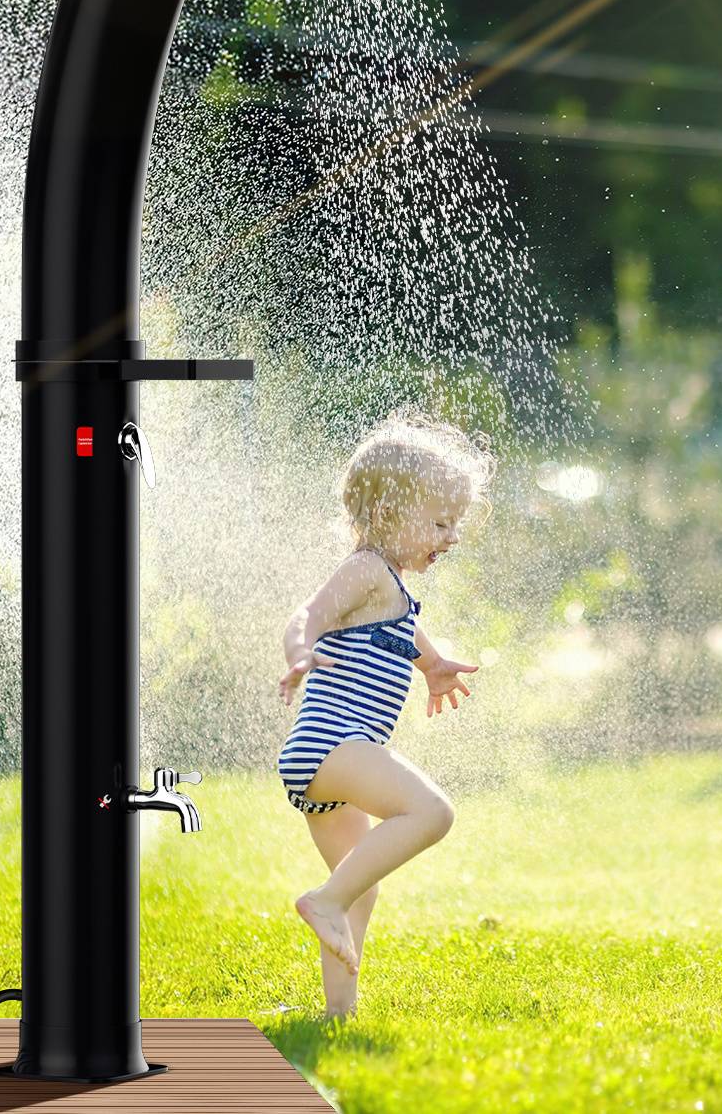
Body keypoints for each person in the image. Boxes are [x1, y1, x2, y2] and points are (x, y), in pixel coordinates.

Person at [277, 410, 492, 1018]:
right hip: (333, 745)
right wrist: (300, 653)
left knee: (360, 889)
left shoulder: (392, 587)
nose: (450, 537)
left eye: (455, 524)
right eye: (440, 522)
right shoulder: (367, 568)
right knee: (432, 812)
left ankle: (337, 1014)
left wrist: (436, 665)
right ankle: (322, 902)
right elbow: (307, 615)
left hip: (326, 760)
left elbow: (410, 635)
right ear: (387, 514)